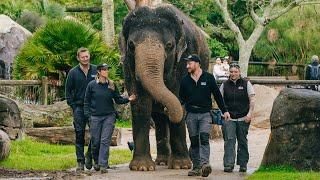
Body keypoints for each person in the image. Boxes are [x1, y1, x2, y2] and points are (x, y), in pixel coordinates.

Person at [179, 54, 231, 177]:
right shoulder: (185, 80)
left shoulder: (208, 78)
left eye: (189, 63)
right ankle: (196, 167)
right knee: (194, 141)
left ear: (197, 63)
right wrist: (172, 108)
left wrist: (225, 111)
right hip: (191, 114)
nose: (187, 66)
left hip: (205, 114)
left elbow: (217, 95)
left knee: (203, 138)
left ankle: (204, 165)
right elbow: (181, 98)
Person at [84, 63, 136, 174]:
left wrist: (128, 99)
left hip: (109, 116)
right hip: (95, 117)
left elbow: (117, 99)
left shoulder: (112, 85)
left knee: (105, 140)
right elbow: (86, 102)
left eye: (107, 69)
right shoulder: (91, 85)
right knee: (95, 141)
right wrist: (88, 116)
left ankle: (103, 164)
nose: (106, 71)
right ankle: (96, 161)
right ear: (99, 71)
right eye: (104, 69)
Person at [65, 47, 97, 172]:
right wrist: (73, 106)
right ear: (78, 58)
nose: (85, 59)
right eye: (82, 57)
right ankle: (80, 161)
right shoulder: (73, 72)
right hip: (78, 108)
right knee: (79, 135)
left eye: (87, 56)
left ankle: (89, 155)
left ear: (89, 56)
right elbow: (68, 91)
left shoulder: (96, 70)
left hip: (93, 107)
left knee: (95, 134)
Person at [219, 63, 255, 173]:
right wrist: (223, 112)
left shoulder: (246, 84)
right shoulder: (224, 85)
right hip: (229, 119)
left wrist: (250, 114)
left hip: (243, 118)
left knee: (242, 141)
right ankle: (228, 165)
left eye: (235, 72)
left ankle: (243, 164)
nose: (233, 74)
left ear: (239, 72)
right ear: (229, 72)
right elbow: (220, 101)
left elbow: (252, 100)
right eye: (231, 71)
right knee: (229, 141)